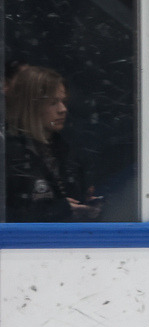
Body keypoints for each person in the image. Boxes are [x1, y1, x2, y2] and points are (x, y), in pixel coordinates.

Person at [5, 65, 101, 222]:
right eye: (53, 103)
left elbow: (69, 200)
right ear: (31, 106)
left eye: (64, 101)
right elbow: (10, 216)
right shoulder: (8, 153)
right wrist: (58, 211)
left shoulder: (66, 150)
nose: (62, 109)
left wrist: (86, 207)